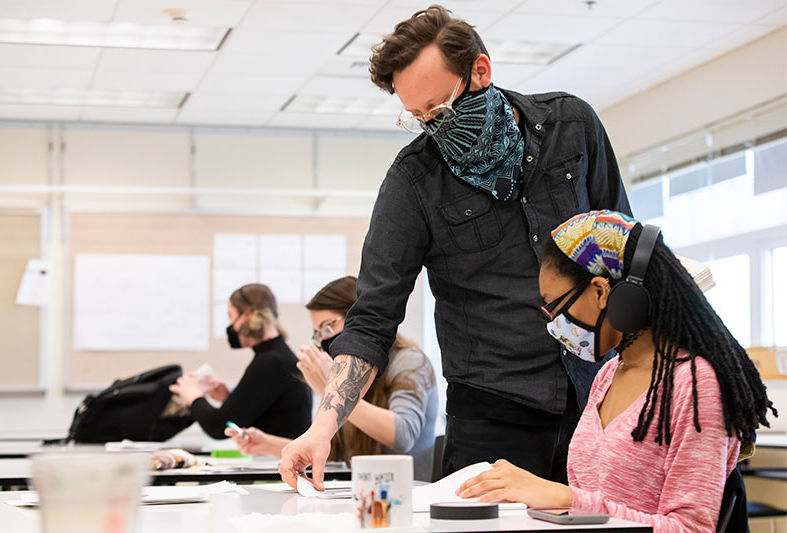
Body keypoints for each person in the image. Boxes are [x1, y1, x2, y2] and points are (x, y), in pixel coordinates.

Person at [280, 5, 631, 490]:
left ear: (480, 71)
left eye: (441, 110)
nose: (434, 126)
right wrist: (325, 425)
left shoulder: (570, 126)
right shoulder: (413, 181)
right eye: (419, 117)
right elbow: (373, 317)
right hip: (494, 410)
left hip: (603, 395)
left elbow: (625, 254)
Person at [456, 210, 776, 532]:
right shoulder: (608, 374)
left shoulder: (694, 383)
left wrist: (563, 497)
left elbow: (691, 528)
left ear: (600, 291)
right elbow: (595, 500)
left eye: (554, 305)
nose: (553, 321)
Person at [225, 276, 439, 481]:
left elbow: (404, 435)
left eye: (328, 326)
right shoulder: (340, 372)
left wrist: (338, 391)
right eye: (318, 332)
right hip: (357, 492)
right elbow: (335, 453)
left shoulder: (408, 361)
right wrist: (266, 444)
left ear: (360, 319)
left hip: (406, 496)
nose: (324, 339)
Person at [169, 283, 312, 440]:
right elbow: (264, 416)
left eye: (231, 316)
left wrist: (193, 396)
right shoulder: (278, 356)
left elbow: (219, 426)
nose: (230, 325)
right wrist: (228, 397)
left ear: (248, 315)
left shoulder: (270, 362)